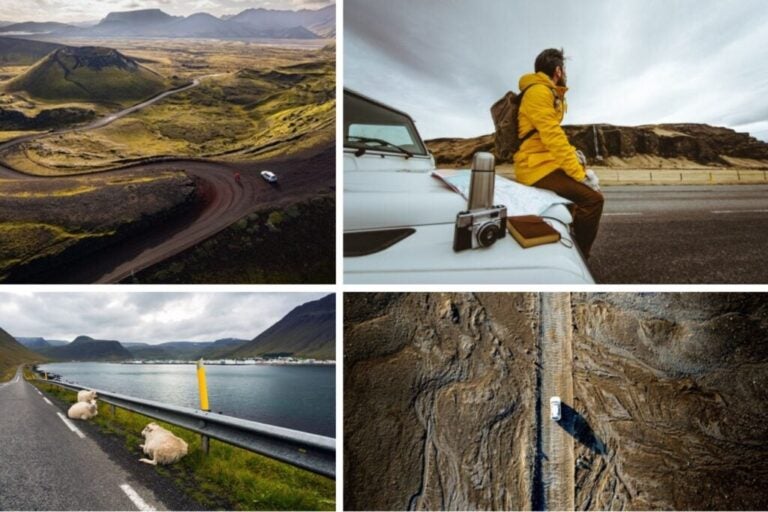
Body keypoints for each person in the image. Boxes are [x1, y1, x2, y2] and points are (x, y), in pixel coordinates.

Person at [514, 48, 604, 259]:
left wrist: (578, 161)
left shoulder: (547, 91)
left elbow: (553, 137)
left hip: (545, 162)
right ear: (558, 71)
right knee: (593, 200)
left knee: (577, 199)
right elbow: (552, 136)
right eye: (564, 69)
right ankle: (580, 258)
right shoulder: (539, 92)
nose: (565, 74)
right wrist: (580, 175)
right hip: (535, 167)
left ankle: (565, 240)